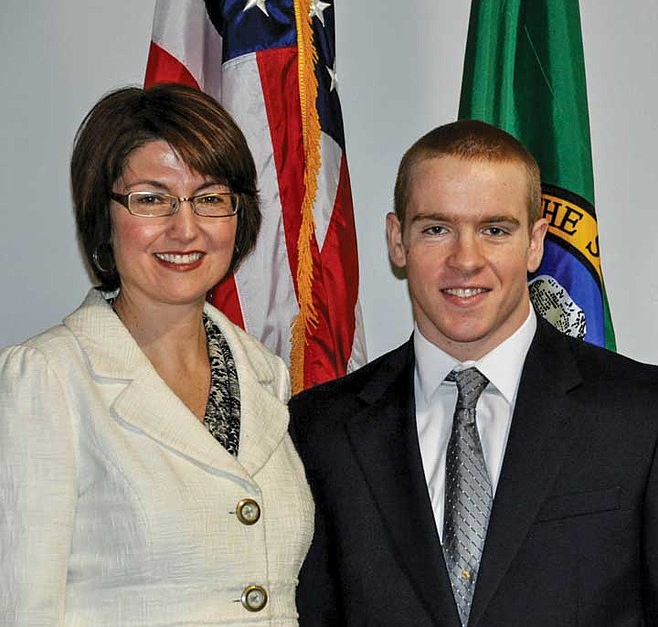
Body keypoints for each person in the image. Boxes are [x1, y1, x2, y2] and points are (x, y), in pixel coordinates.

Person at [289, 119, 658, 626]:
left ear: (535, 242)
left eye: (494, 231)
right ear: (397, 240)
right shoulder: (318, 430)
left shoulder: (641, 415)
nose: (465, 260)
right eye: (436, 229)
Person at [0, 83, 313, 625]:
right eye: (151, 199)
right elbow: (23, 609)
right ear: (103, 217)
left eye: (210, 198)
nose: (185, 228)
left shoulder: (265, 375)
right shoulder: (47, 378)